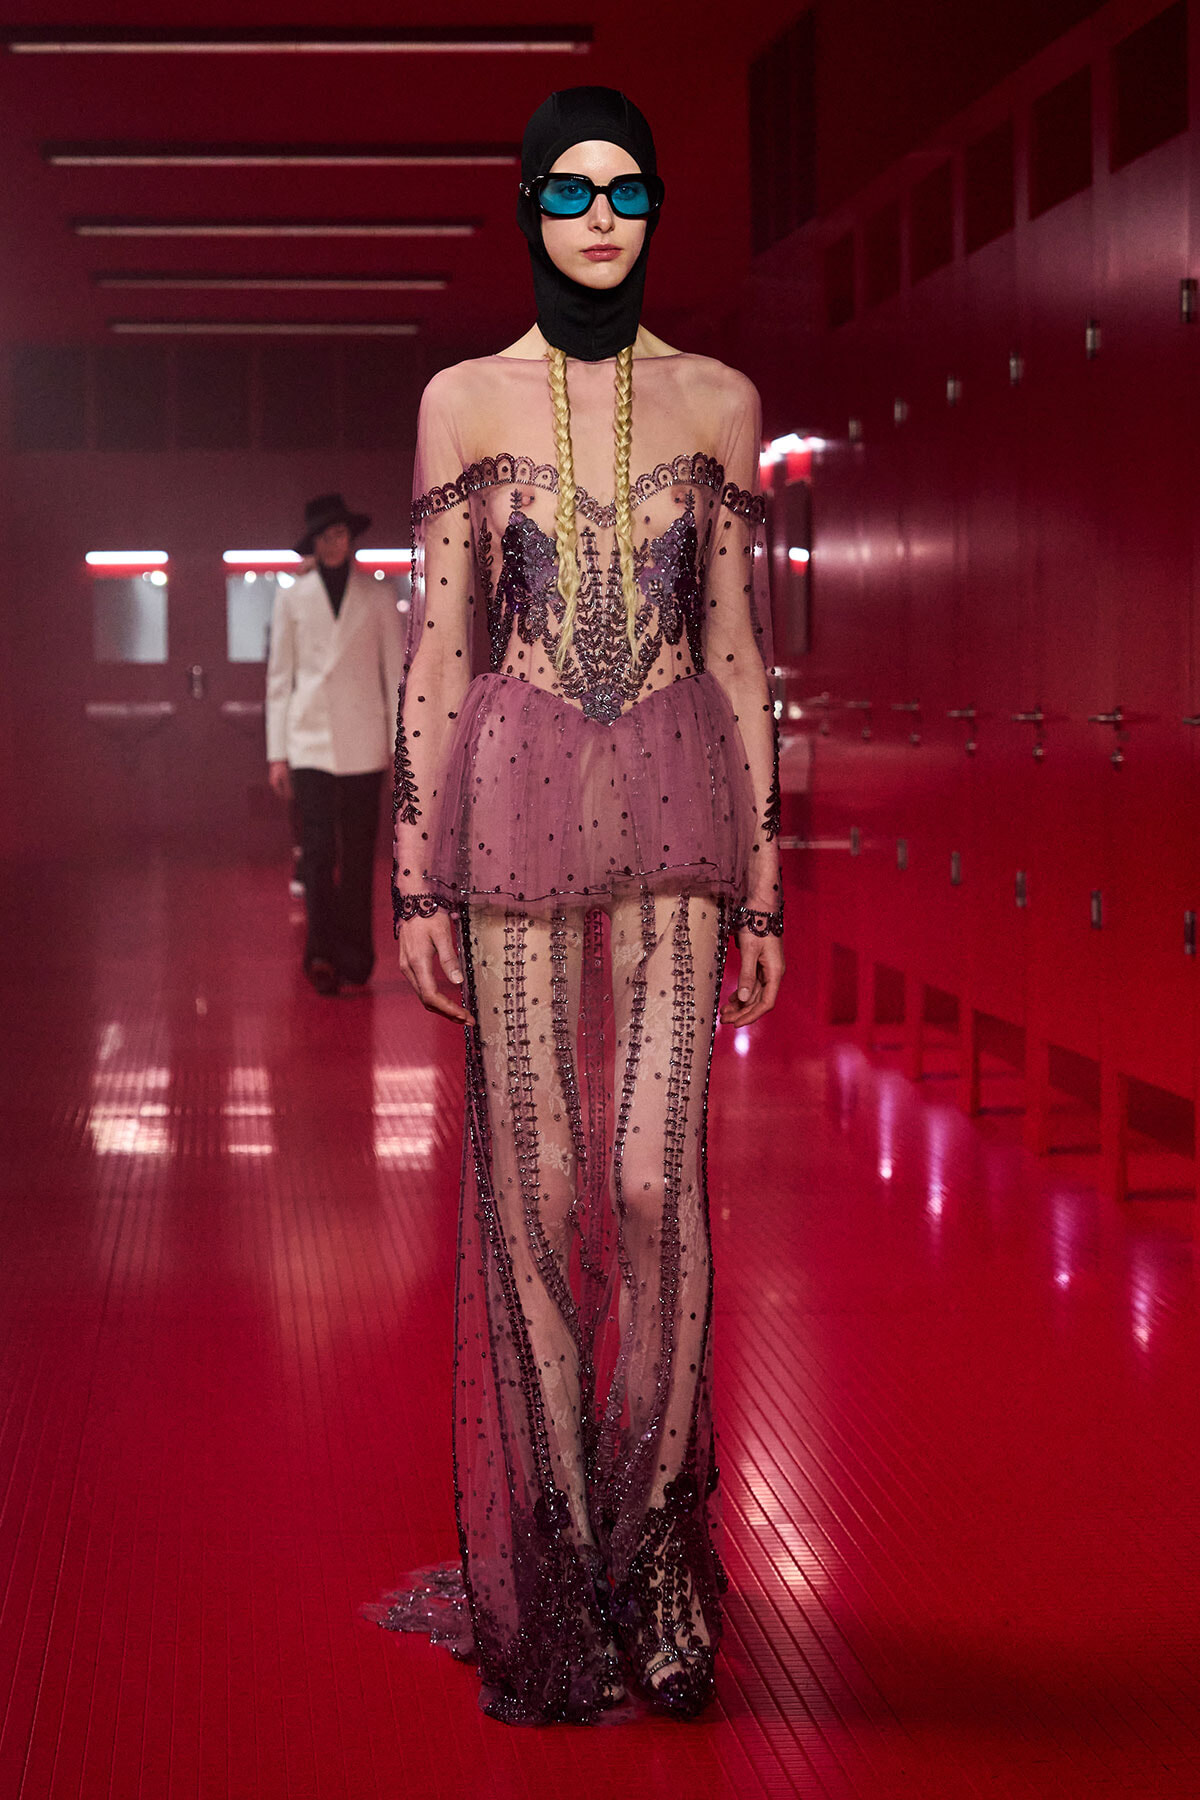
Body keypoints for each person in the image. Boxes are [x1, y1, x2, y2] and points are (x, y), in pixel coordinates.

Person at [378, 87, 784, 1723]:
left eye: (628, 190)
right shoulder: (465, 400)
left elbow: (745, 652)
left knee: (651, 1179)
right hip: (517, 786)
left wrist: (767, 886)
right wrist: (414, 871)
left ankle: (659, 1552)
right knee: (544, 1183)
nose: (601, 217)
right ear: (533, 205)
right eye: (572, 190)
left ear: (655, 208)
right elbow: (443, 649)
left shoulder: (723, 399)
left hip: (684, 780)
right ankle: (560, 1554)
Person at [266, 493, 404, 995]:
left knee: (361, 853)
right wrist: (276, 753)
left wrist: (398, 744)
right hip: (309, 742)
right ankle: (320, 954)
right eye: (325, 536)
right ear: (314, 543)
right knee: (319, 852)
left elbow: (395, 675)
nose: (334, 542)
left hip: (365, 742)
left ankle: (356, 956)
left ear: (351, 538)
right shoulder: (291, 599)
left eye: (341, 533)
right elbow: (280, 677)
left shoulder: (379, 596)